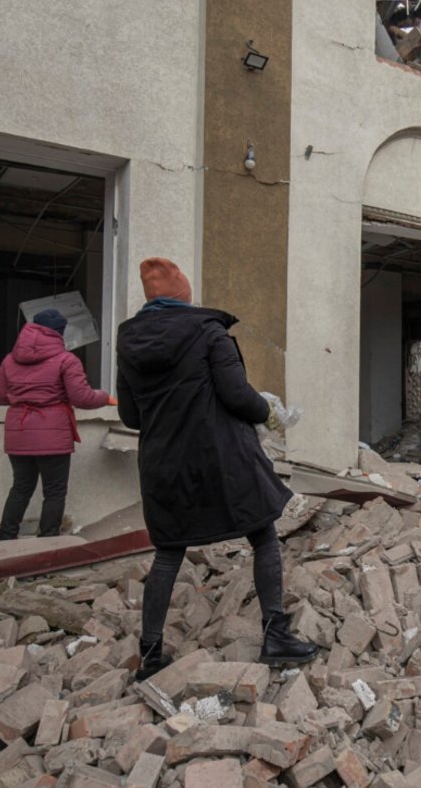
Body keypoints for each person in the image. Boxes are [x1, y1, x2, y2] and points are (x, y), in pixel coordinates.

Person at [116, 258, 318, 681]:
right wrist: (269, 413)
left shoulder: (129, 343)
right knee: (263, 534)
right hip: (222, 457)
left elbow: (132, 416)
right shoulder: (209, 332)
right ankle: (276, 638)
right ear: (184, 295)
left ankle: (150, 657)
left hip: (163, 464)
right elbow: (237, 395)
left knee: (168, 551)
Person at [0, 309, 112, 540]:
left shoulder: (10, 359)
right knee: (54, 492)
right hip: (53, 435)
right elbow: (81, 398)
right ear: (60, 333)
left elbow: (0, 395)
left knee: (20, 488)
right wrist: (105, 397)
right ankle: (47, 542)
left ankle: (6, 538)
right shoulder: (66, 360)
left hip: (19, 432)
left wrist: (24, 398)